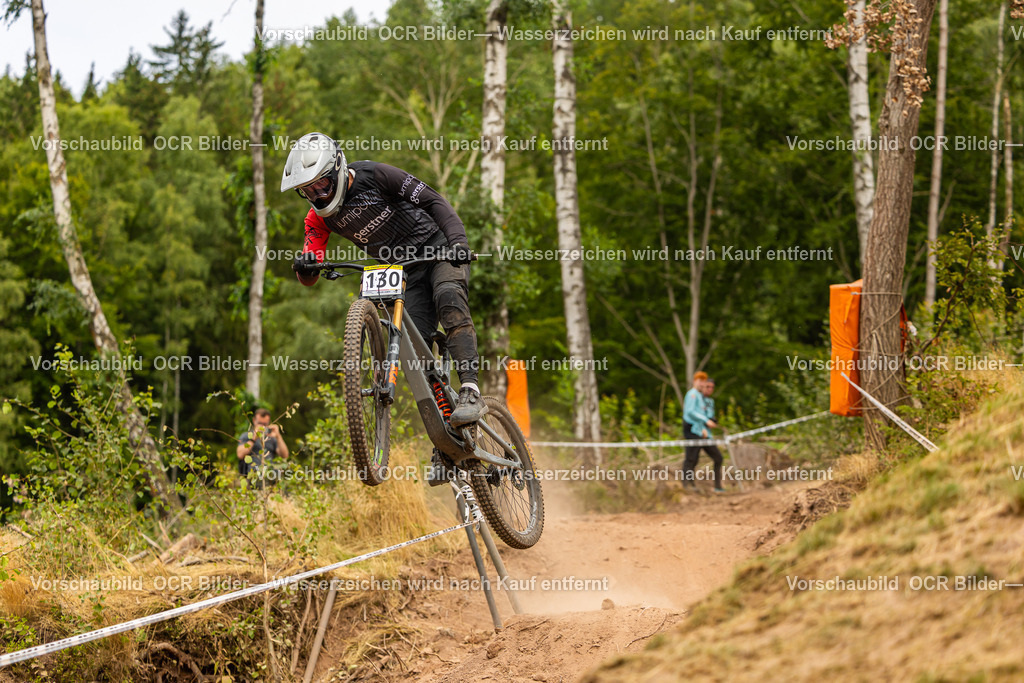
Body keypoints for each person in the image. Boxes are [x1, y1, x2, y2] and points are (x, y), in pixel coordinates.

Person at [280, 132, 486, 427]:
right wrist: (306, 266)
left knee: (448, 297)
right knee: (413, 350)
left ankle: (470, 390)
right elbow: (309, 274)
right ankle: (448, 430)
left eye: (322, 185)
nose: (318, 196)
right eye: (308, 192)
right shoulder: (318, 218)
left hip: (438, 249)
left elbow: (434, 201)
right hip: (402, 270)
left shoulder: (377, 176)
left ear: (337, 169)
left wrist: (458, 243)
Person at [682, 372, 725, 493]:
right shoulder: (692, 394)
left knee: (714, 457)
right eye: (700, 381)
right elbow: (690, 412)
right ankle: (686, 485)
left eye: (703, 382)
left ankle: (716, 486)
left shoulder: (700, 397)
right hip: (691, 429)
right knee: (691, 458)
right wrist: (706, 420)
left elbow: (701, 413)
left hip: (700, 431)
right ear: (694, 381)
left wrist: (705, 427)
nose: (702, 384)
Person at [237, 408, 289, 481]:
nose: (262, 427)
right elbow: (240, 454)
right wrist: (254, 438)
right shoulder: (247, 436)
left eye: (265, 424)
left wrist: (278, 436)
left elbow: (285, 455)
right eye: (260, 423)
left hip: (271, 477)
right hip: (253, 477)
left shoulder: (271, 437)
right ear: (254, 420)